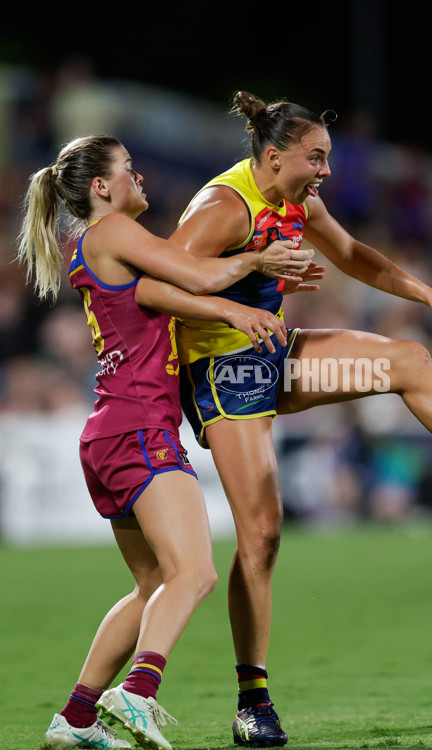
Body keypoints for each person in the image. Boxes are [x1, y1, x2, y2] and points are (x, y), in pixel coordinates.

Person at [134, 92, 432, 748]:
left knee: (408, 359)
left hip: (276, 358)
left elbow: (353, 254)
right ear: (273, 156)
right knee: (262, 534)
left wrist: (431, 295)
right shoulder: (223, 207)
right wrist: (237, 303)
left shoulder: (297, 203)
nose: (326, 169)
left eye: (327, 157)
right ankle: (251, 701)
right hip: (221, 376)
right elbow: (153, 286)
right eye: (315, 157)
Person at [17, 134, 315, 750]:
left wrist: (232, 311)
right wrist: (256, 260)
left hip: (108, 432)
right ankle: (137, 694)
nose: (139, 177)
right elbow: (200, 271)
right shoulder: (114, 231)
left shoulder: (92, 248)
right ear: (101, 187)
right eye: (127, 169)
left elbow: (164, 295)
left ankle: (73, 721)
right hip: (140, 427)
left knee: (152, 585)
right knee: (196, 573)